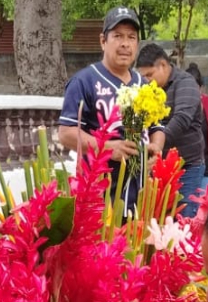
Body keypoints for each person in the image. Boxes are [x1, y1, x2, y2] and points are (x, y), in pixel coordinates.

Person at [58, 7, 144, 213]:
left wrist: (154, 148)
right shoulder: (84, 81)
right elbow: (66, 134)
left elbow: (157, 128)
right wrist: (107, 148)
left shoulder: (145, 85)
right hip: (99, 194)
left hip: (140, 194)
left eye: (131, 37)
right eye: (118, 36)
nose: (125, 43)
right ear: (103, 41)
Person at [136, 44, 208, 218]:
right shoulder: (150, 90)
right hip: (159, 166)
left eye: (149, 75)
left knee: (183, 219)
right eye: (143, 76)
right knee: (158, 219)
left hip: (187, 167)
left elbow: (182, 119)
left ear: (163, 65)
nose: (146, 80)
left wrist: (156, 143)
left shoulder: (186, 83)